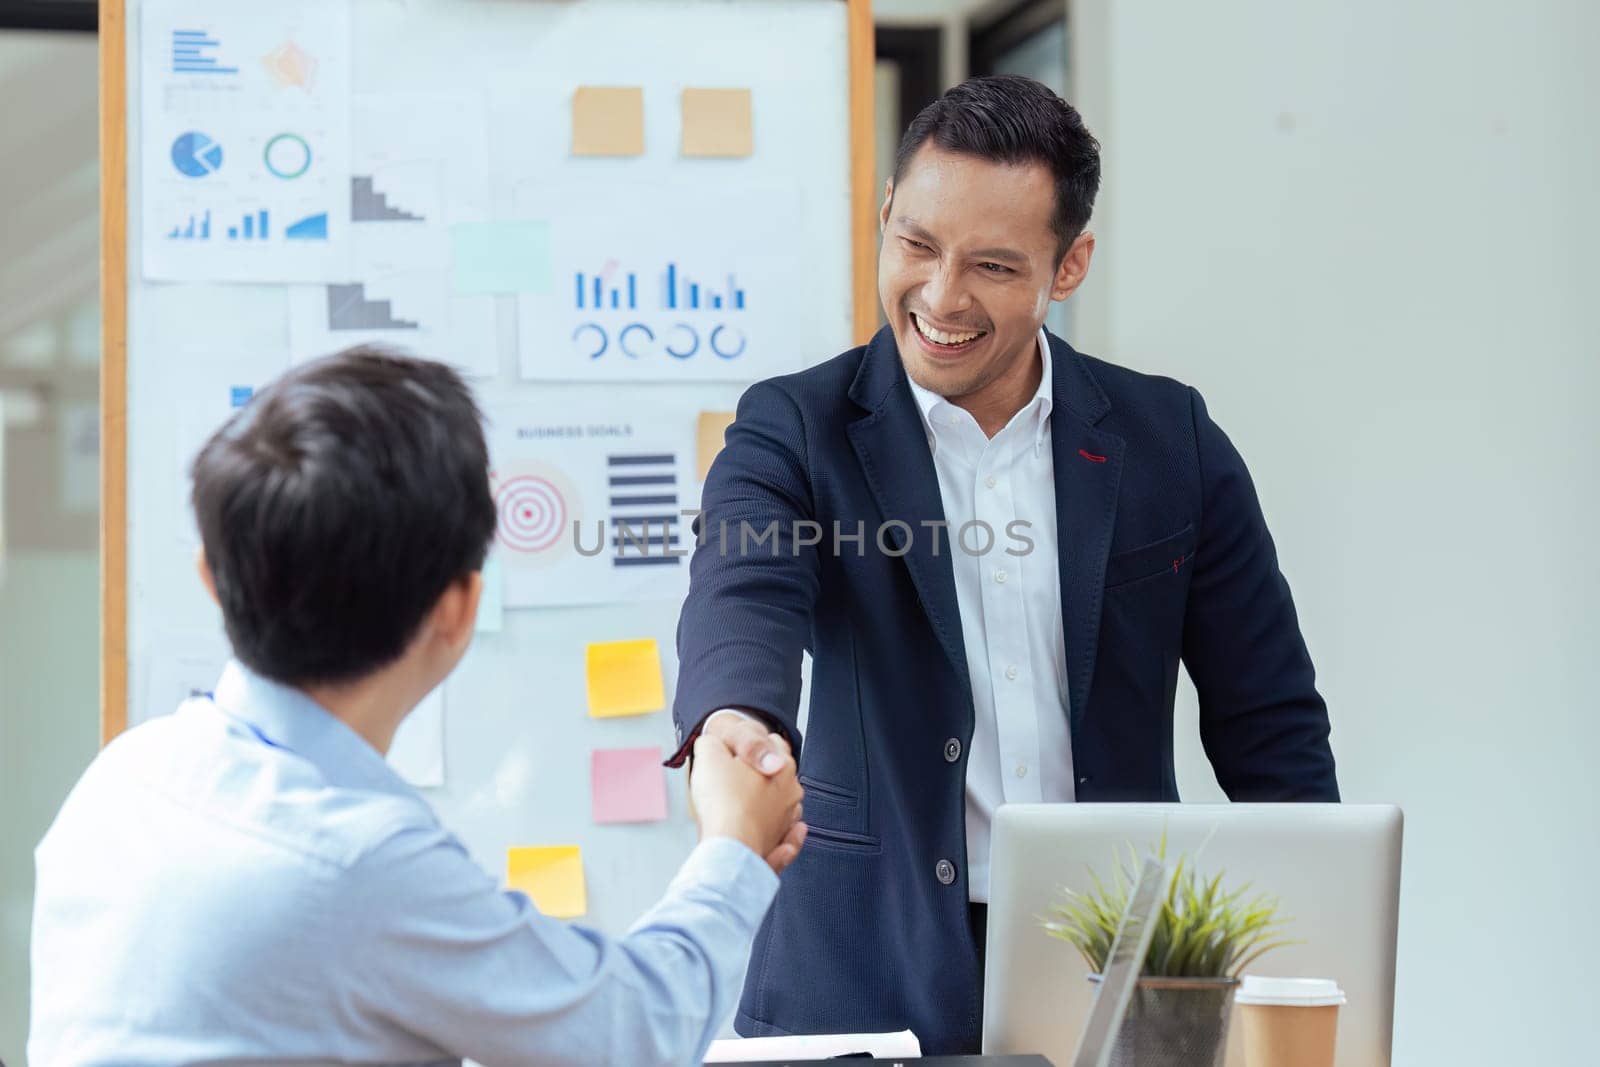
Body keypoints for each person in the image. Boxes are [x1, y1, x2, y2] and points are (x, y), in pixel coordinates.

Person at [666, 75, 1340, 1053]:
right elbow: (742, 587)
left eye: (990, 264)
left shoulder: (1170, 440)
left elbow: (1271, 728)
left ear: (1068, 266)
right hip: (860, 972)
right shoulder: (796, 428)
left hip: (1124, 965)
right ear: (886, 214)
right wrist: (737, 717)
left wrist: (1311, 971)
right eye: (916, 245)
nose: (940, 298)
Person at [29, 349, 806, 1066]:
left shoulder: (122, 781)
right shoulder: (355, 863)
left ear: (210, 575)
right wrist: (733, 848)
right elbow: (631, 1031)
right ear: (458, 608)